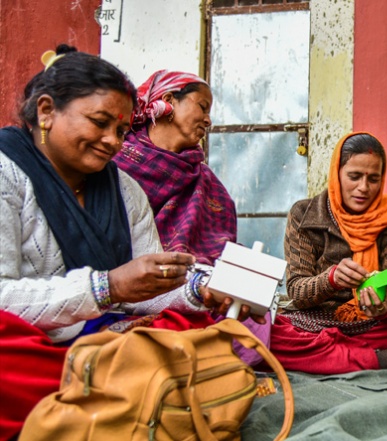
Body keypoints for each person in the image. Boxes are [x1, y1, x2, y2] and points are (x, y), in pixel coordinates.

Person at [0, 46, 257, 439]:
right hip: (31, 346)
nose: (112, 142)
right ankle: (117, 390)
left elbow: (143, 289)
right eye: (100, 123)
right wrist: (108, 286)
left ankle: (105, 391)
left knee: (189, 327)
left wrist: (197, 288)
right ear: (47, 111)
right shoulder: (7, 174)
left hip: (99, 336)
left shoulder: (125, 188)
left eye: (121, 130)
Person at [266, 132, 387, 374]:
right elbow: (296, 291)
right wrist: (331, 279)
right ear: (337, 173)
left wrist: (384, 305)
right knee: (263, 329)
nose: (363, 188)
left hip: (375, 323)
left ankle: (333, 354)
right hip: (314, 322)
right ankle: (376, 357)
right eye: (354, 177)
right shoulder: (304, 214)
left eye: (373, 179)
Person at [113, 70, 236, 266]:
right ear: (169, 99)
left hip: (191, 289)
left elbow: (222, 253)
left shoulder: (207, 183)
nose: (208, 121)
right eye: (202, 107)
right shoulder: (114, 162)